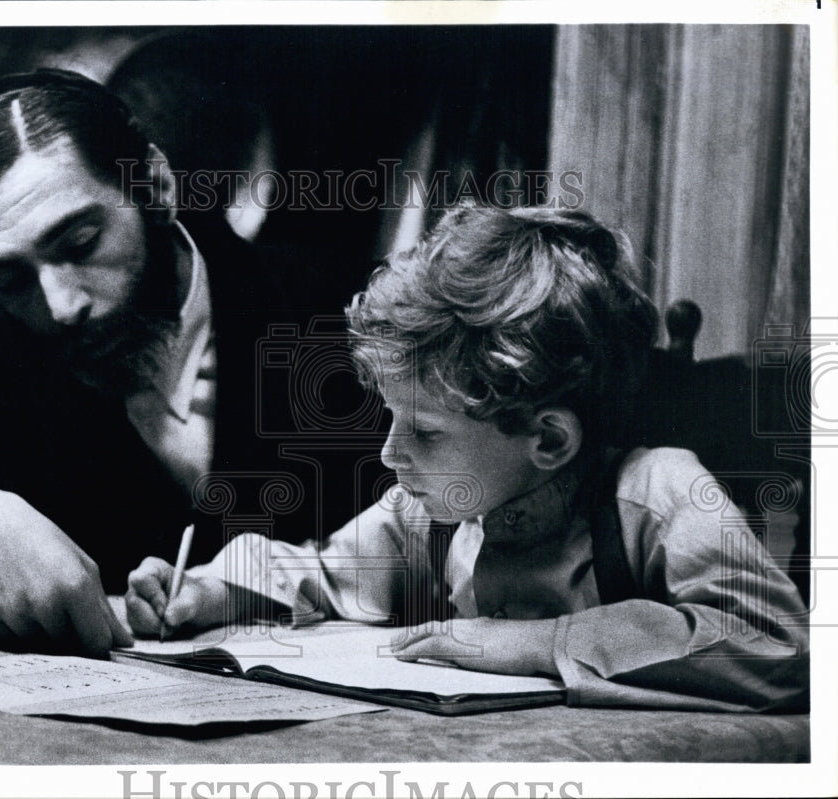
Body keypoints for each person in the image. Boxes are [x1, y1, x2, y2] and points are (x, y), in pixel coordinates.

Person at [126, 205, 809, 711]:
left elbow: (777, 648)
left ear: (548, 441)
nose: (392, 454)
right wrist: (211, 589)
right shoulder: (435, 511)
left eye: (425, 431)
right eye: (393, 420)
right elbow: (324, 572)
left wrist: (546, 641)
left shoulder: (660, 493)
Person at [0, 69, 371, 656]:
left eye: (80, 245)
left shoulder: (328, 313)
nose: (59, 307)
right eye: (9, 278)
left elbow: (429, 543)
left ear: (154, 185)